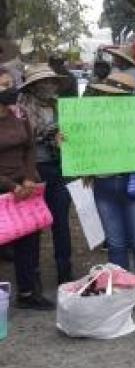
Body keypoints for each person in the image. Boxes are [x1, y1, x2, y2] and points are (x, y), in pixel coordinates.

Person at [85, 72, 135, 317]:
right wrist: (65, 141)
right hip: (104, 187)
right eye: (108, 94)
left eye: (119, 95)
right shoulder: (91, 118)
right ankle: (121, 296)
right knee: (116, 244)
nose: (112, 99)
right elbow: (77, 144)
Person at [0, 67, 53, 310]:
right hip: (4, 188)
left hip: (25, 187)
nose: (9, 90)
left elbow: (30, 147)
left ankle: (28, 292)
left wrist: (29, 177)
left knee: (29, 240)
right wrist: (10, 186)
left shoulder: (19, 114)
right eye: (3, 85)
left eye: (10, 84)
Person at [18, 64, 75, 284]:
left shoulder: (58, 105)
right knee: (32, 226)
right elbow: (25, 137)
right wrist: (50, 134)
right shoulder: (21, 107)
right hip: (33, 171)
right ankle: (31, 279)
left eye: (51, 81)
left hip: (57, 167)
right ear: (33, 86)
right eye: (44, 82)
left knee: (61, 221)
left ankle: (65, 272)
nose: (49, 85)